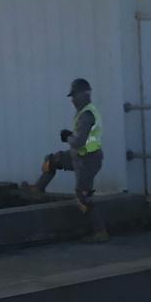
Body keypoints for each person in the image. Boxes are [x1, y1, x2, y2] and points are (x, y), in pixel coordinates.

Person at [22, 77, 108, 241]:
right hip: (79, 156)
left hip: (88, 161)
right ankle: (39, 188)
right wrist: (71, 136)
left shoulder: (87, 115)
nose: (73, 100)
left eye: (75, 95)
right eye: (72, 96)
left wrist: (68, 137)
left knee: (83, 196)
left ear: (85, 94)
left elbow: (79, 141)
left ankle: (100, 231)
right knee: (52, 160)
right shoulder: (84, 112)